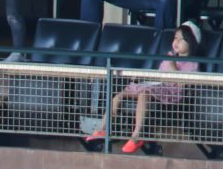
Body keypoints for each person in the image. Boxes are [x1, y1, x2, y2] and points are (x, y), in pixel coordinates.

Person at [86, 21, 201, 154]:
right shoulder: (168, 57)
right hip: (158, 87)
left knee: (144, 93)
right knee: (119, 95)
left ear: (191, 43)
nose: (176, 42)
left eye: (181, 39)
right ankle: (103, 129)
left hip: (172, 94)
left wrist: (173, 65)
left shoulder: (193, 64)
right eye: (175, 38)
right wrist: (142, 77)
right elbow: (158, 75)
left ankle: (137, 135)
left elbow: (182, 84)